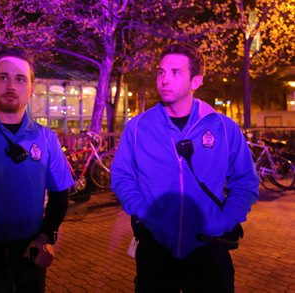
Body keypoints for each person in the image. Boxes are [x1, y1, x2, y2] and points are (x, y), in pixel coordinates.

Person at [111, 43, 259, 292]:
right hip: (155, 250)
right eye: (161, 72)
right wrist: (143, 212)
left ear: (196, 81)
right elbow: (122, 176)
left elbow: (245, 182)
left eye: (175, 72)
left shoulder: (222, 127)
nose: (164, 79)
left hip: (209, 250)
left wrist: (223, 221)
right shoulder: (138, 127)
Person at [0, 48, 73, 293]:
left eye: (20, 79)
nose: (11, 85)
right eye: (3, 77)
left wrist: (47, 234)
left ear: (31, 88)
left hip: (29, 254)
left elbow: (60, 194)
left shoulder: (46, 138)